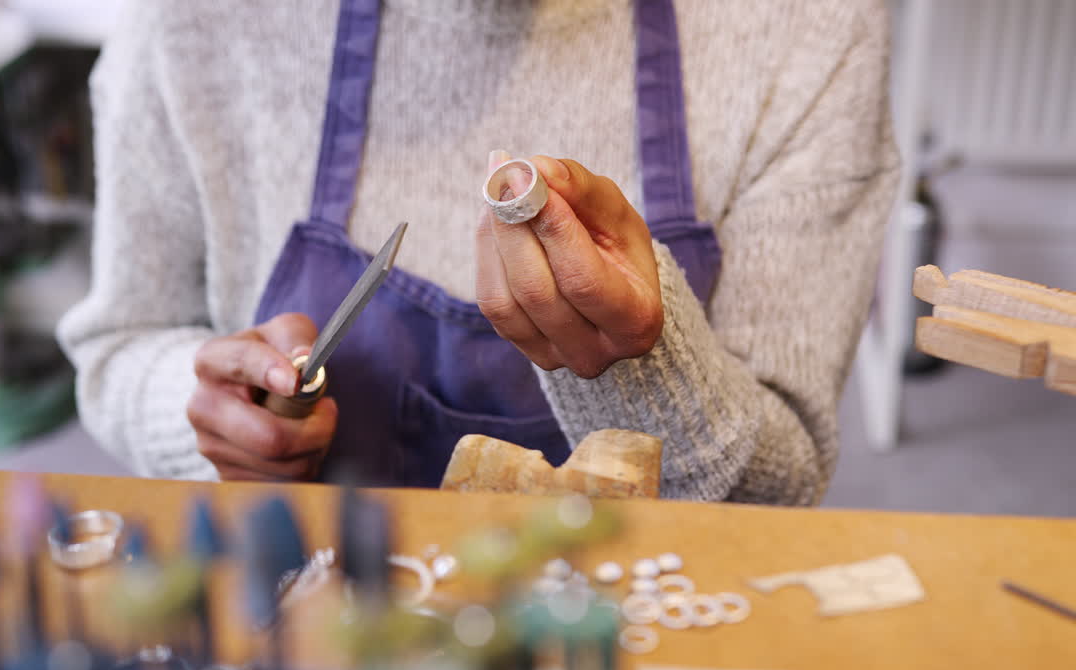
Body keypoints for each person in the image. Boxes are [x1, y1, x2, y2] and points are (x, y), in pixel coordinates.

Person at [58, 0, 899, 503]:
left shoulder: (805, 28)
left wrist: (645, 372)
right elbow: (118, 349)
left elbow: (780, 487)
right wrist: (212, 412)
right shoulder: (196, 23)